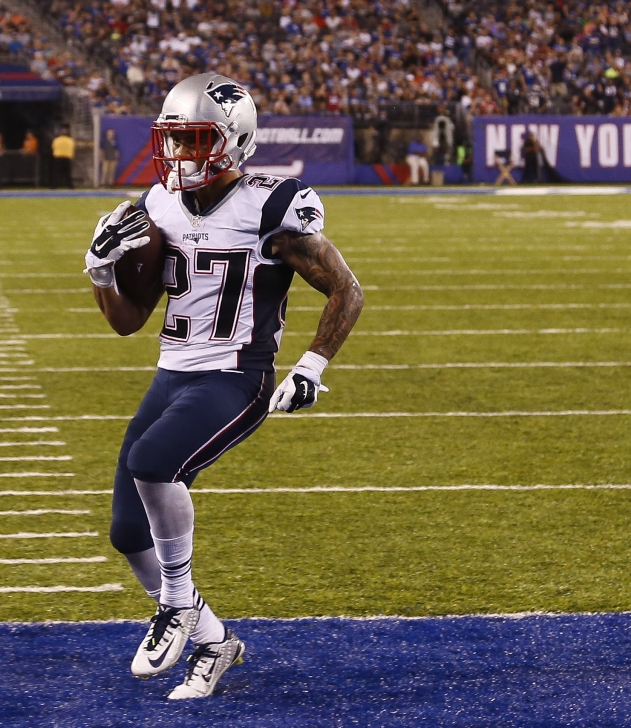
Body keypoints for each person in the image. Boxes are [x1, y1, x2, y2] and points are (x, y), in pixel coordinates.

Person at [83, 73, 364, 699]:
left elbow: (347, 288)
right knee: (128, 533)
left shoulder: (272, 203)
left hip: (237, 377)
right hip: (173, 373)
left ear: (234, 142)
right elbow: (129, 322)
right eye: (173, 141)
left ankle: (177, 607)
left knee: (154, 462)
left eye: (195, 141)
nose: (179, 156)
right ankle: (215, 643)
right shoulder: (158, 204)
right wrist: (102, 273)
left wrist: (312, 365)